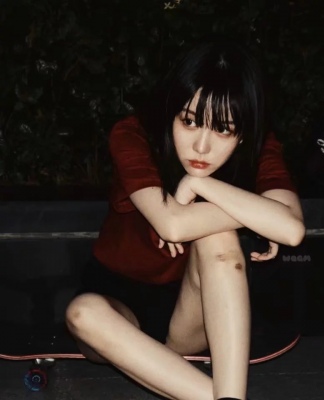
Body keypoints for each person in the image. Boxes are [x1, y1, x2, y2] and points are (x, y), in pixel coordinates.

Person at [65, 41, 305, 400]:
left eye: (223, 130)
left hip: (193, 313)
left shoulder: (258, 148)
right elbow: (172, 225)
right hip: (117, 306)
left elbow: (292, 230)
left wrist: (199, 185)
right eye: (190, 122)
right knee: (83, 312)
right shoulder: (134, 136)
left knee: (218, 236)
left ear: (242, 134)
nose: (201, 147)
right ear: (170, 112)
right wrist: (257, 216)